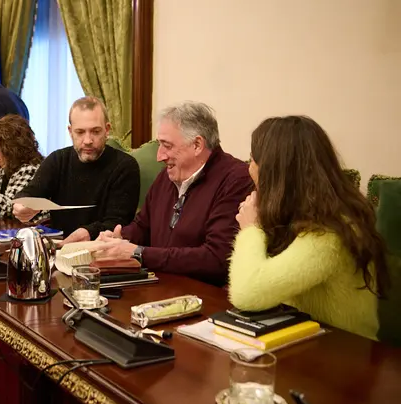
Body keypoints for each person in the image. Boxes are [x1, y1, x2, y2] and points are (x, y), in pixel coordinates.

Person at [228, 116, 389, 340]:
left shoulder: (331, 232)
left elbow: (247, 294)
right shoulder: (300, 214)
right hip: (300, 344)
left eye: (253, 160)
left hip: (343, 359)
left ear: (277, 172)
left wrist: (250, 230)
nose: (249, 169)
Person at [93, 101, 253, 286]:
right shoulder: (167, 176)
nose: (159, 156)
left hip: (203, 297)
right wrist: (118, 239)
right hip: (157, 287)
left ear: (197, 145)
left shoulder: (235, 180)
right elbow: (143, 226)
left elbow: (216, 258)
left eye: (167, 146)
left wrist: (138, 253)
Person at [12, 96, 140, 244]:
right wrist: (21, 205)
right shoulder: (58, 160)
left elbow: (118, 223)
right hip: (58, 247)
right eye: (80, 132)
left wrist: (88, 233)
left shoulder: (125, 166)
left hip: (101, 250)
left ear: (107, 130)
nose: (87, 140)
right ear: (70, 131)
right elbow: (31, 192)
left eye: (95, 131)